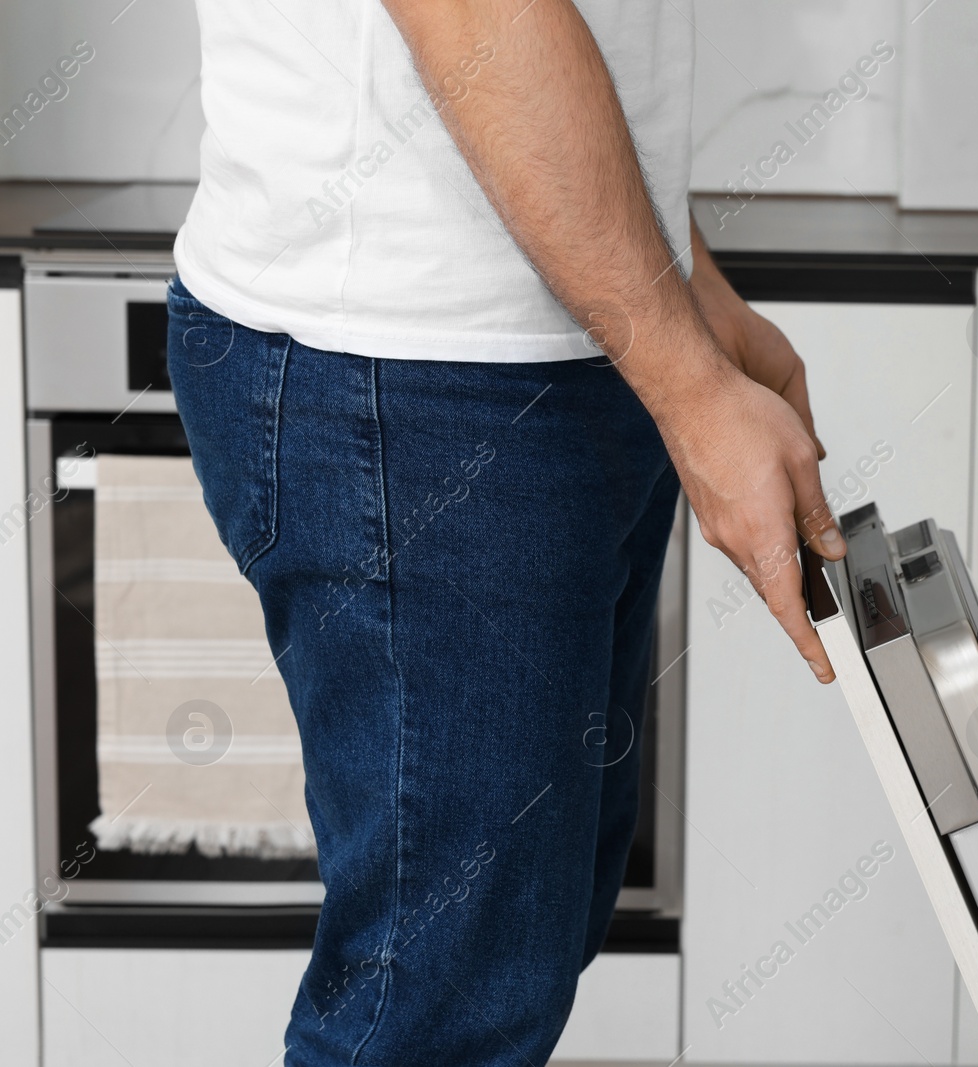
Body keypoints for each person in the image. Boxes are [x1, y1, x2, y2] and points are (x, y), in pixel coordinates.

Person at [167, 0, 843, 1062]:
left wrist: (689, 300)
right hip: (417, 379)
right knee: (437, 1011)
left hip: (556, 349)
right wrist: (687, 381)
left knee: (526, 934)